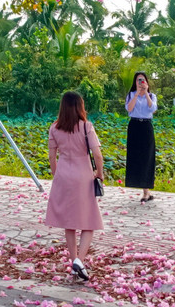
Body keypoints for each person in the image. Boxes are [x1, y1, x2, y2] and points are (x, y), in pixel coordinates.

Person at [44, 90, 105, 282]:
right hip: (83, 177)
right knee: (90, 221)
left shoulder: (54, 128)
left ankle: (73, 262)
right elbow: (97, 155)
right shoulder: (86, 127)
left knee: (69, 223)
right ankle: (79, 260)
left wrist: (57, 176)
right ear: (80, 106)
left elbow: (51, 157)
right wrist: (100, 174)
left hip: (63, 175)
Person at [123, 71, 158, 202]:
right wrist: (137, 94)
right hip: (134, 126)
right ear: (135, 82)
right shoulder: (131, 95)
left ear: (147, 82)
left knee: (147, 157)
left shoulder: (152, 96)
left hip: (146, 127)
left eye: (143, 80)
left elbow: (152, 109)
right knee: (135, 156)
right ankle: (142, 188)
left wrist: (146, 93)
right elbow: (129, 109)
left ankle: (146, 191)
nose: (140, 83)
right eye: (138, 80)